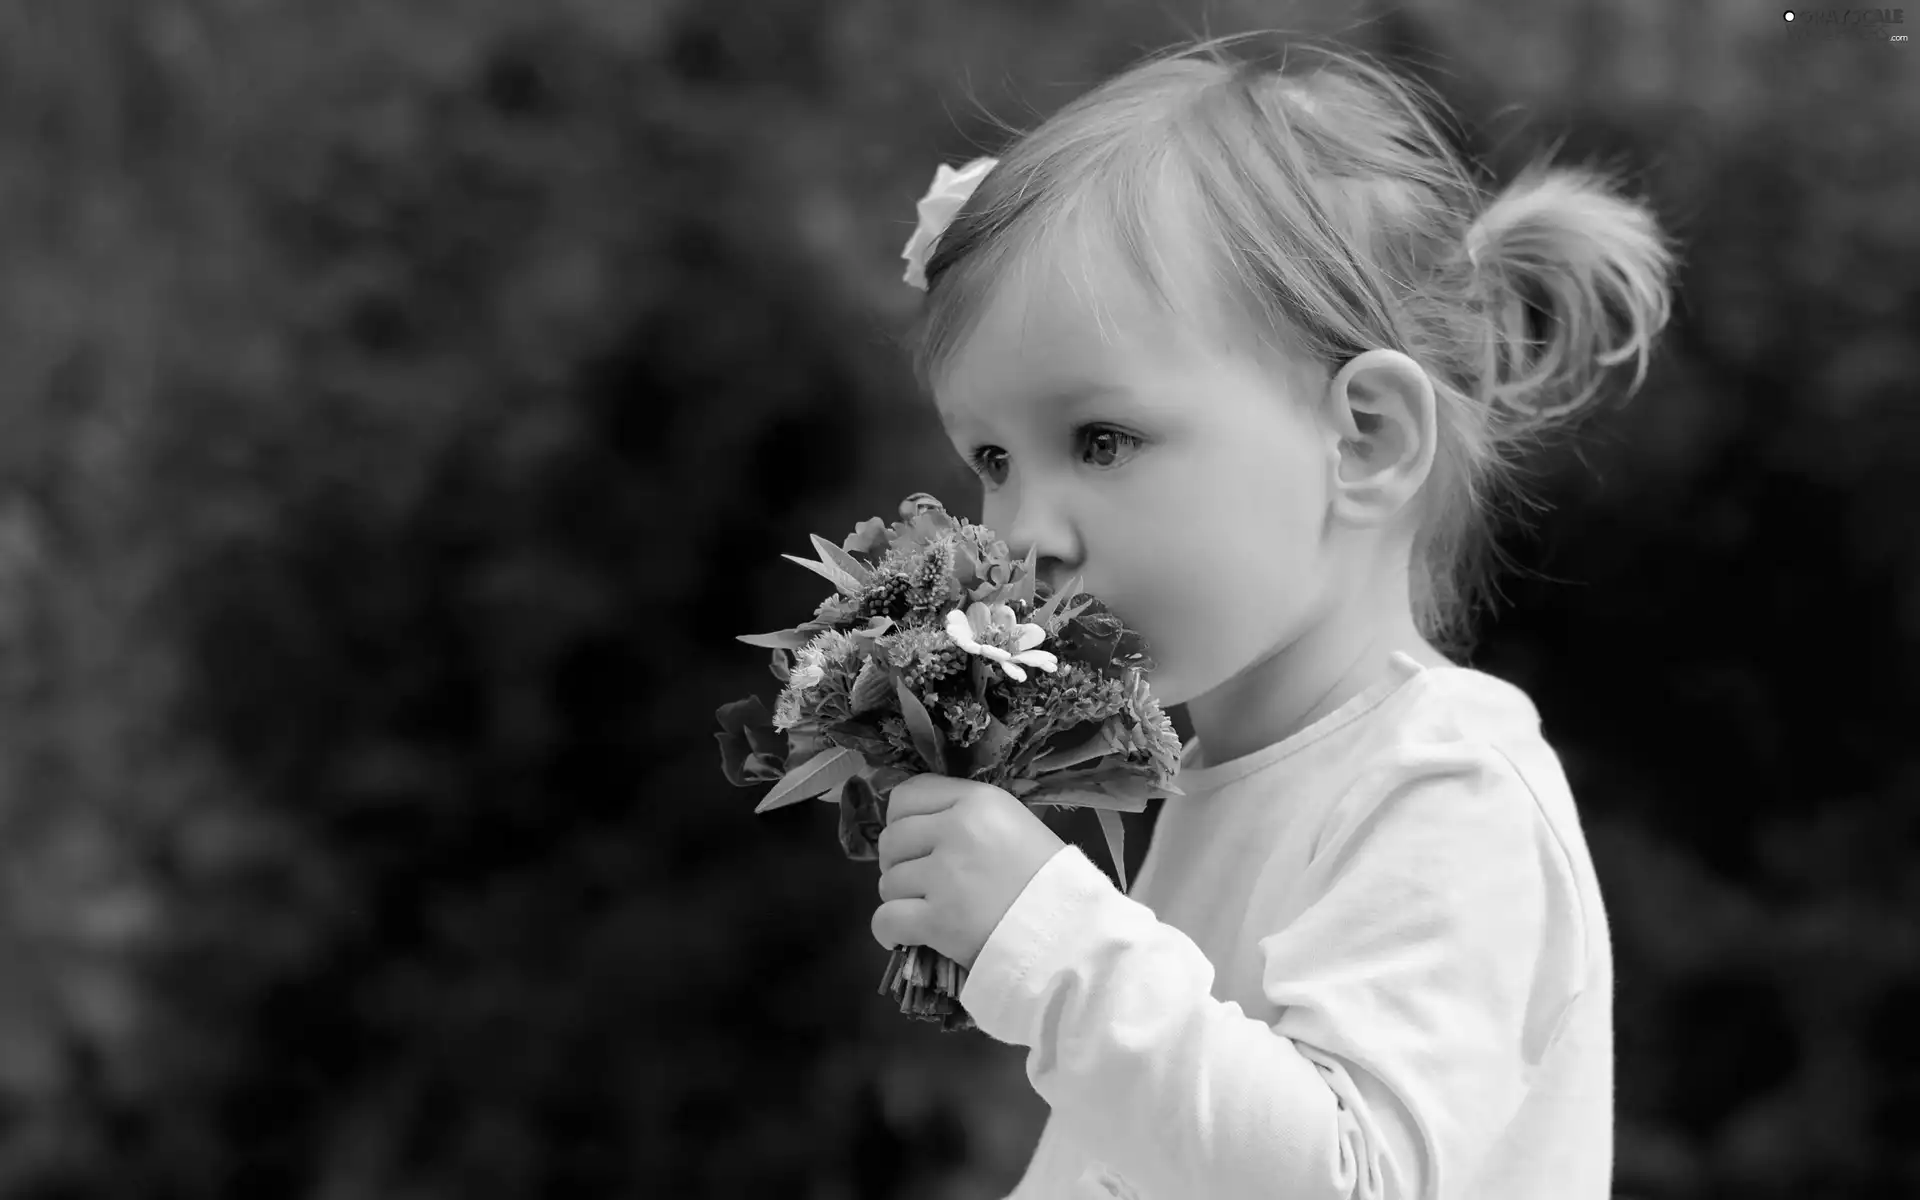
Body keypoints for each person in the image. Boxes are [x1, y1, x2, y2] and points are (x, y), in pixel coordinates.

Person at [868, 33, 1675, 1200]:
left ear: (1367, 441)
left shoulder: (1447, 789)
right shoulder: (1216, 780)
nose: (1021, 531)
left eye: (1101, 440)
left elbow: (1351, 1175)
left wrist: (1052, 944)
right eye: (992, 456)